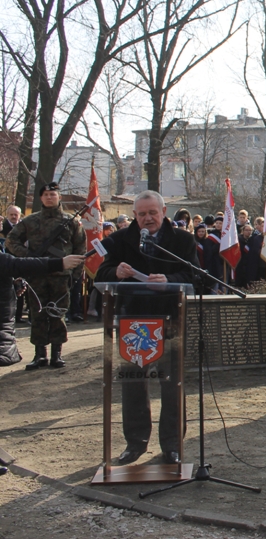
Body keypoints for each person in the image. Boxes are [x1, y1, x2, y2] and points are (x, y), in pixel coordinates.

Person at [95, 190, 201, 465]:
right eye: (141, 214)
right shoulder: (119, 239)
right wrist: (115, 272)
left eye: (152, 213)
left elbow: (194, 276)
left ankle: (172, 445)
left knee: (172, 384)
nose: (147, 219)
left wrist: (169, 280)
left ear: (164, 211)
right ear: (134, 216)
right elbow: (101, 273)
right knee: (133, 385)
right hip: (133, 321)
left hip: (171, 320)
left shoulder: (183, 240)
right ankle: (135, 443)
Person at [7, 182, 86, 370]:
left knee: (58, 314)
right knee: (38, 314)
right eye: (46, 194)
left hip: (61, 277)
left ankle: (56, 354)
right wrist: (28, 259)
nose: (50, 197)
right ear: (41, 198)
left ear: (58, 197)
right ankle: (39, 354)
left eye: (53, 194)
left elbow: (80, 249)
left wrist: (74, 275)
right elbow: (11, 241)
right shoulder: (30, 221)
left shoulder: (71, 222)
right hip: (37, 276)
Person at [3, 205, 24, 323]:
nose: (13, 217)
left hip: (20, 262)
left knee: (20, 287)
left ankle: (18, 315)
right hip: (6, 263)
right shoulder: (2, 229)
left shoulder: (24, 228)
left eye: (16, 214)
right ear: (7, 215)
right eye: (11, 214)